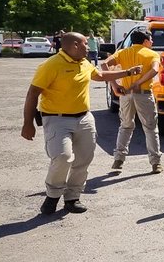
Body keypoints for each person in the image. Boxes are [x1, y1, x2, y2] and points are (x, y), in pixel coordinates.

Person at [21, 33, 141, 215]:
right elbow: (32, 94)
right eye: (86, 43)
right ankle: (52, 196)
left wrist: (127, 72)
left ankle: (72, 198)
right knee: (63, 157)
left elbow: (100, 75)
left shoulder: (83, 62)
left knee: (84, 158)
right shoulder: (51, 65)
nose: (90, 46)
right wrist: (27, 123)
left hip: (84, 118)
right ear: (75, 45)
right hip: (57, 119)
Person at [108, 29, 163, 173]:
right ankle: (155, 163)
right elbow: (155, 70)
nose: (152, 42)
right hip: (143, 94)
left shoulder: (122, 53)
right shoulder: (152, 54)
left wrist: (114, 85)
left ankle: (118, 159)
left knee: (125, 126)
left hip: (125, 95)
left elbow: (104, 65)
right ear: (145, 41)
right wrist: (139, 82)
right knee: (150, 128)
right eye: (151, 40)